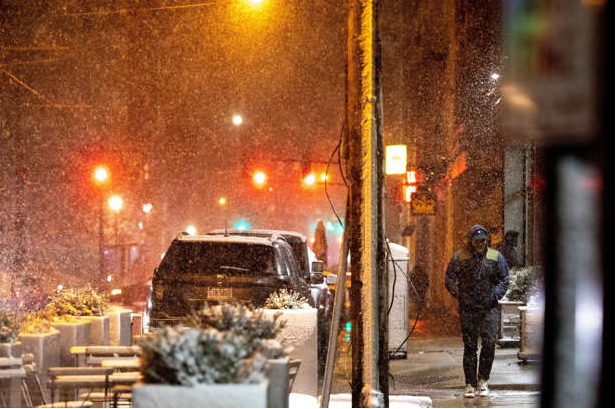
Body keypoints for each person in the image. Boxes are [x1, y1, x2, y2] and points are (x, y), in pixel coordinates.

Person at [445, 224, 509, 398]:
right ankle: (470, 383)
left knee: (489, 343)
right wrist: (459, 294)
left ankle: (483, 379)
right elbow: (449, 277)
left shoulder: (496, 257)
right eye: (476, 241)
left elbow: (504, 278)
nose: (480, 243)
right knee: (470, 346)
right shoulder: (460, 256)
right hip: (469, 308)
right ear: (470, 241)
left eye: (483, 240)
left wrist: (495, 295)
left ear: (487, 240)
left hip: (489, 307)